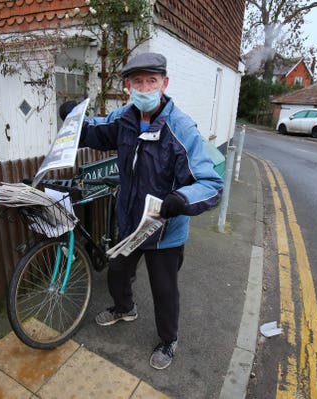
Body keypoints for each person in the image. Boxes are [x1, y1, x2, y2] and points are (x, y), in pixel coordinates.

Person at [77, 52, 224, 370]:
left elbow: (210, 183)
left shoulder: (181, 128)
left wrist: (181, 200)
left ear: (164, 83)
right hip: (129, 221)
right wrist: (74, 122)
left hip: (164, 231)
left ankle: (169, 340)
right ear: (128, 86)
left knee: (164, 289)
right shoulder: (124, 119)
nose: (144, 88)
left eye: (151, 81)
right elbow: (98, 130)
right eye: (137, 82)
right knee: (117, 272)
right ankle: (124, 308)